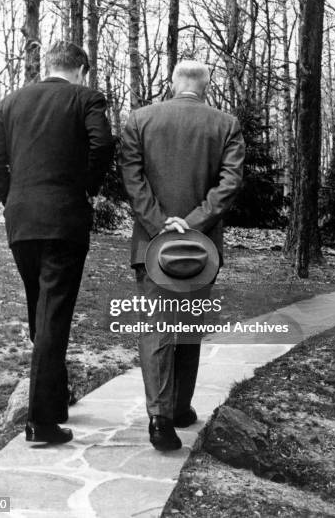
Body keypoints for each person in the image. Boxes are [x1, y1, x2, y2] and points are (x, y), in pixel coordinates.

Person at [0, 41, 114, 444]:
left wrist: (14, 198)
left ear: (48, 66)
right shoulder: (86, 98)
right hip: (64, 220)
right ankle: (41, 422)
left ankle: (53, 402)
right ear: (81, 69)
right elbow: (103, 145)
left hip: (21, 222)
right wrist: (84, 189)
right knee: (52, 315)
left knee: (42, 313)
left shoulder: (11, 101)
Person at [120, 60, 245, 451]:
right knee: (189, 326)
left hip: (150, 246)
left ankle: (160, 416)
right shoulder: (226, 125)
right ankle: (180, 407)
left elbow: (133, 179)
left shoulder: (139, 120)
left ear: (173, 83)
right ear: (206, 87)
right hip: (201, 247)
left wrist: (161, 225)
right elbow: (229, 183)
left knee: (156, 326)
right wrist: (191, 225)